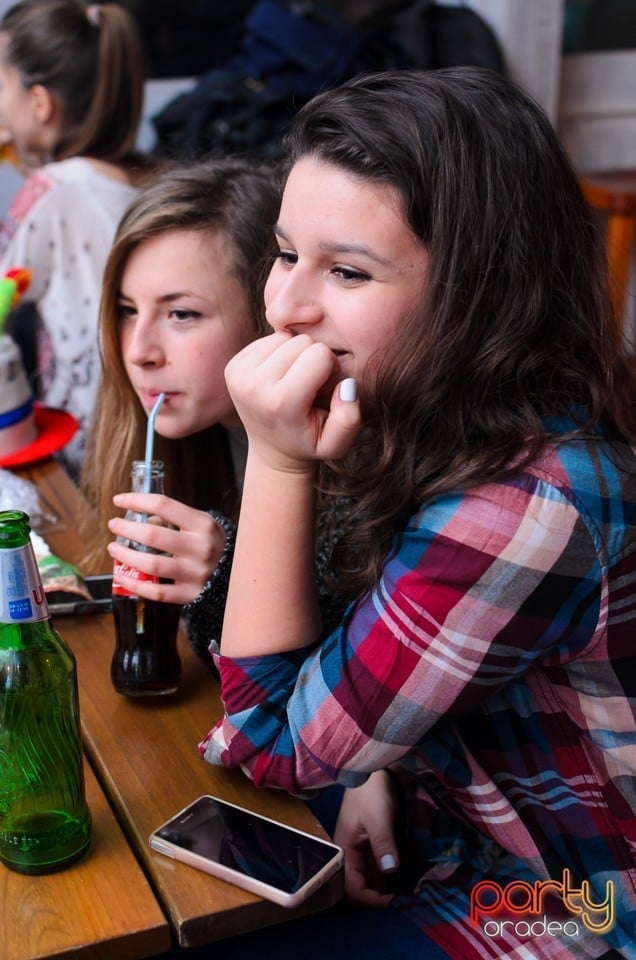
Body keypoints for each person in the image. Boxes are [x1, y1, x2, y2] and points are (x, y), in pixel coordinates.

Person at [189, 68, 636, 960]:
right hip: (464, 832)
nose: (284, 306)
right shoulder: (424, 409)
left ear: (481, 295)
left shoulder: (529, 502)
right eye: (285, 254)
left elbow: (270, 739)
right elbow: (345, 668)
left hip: (581, 912)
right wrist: (379, 762)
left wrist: (276, 461)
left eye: (347, 270)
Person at [80, 157, 282, 659]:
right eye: (127, 310)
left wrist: (228, 580)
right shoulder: (202, 432)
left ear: (269, 313)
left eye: (181, 313)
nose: (137, 350)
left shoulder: (336, 460)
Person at [0, 0, 153, 477]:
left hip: (81, 441)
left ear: (40, 103)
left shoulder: (53, 189)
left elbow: (5, 290)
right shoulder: (138, 179)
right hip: (139, 427)